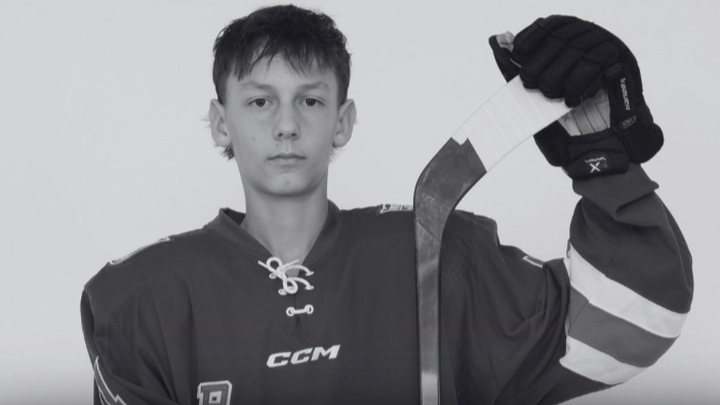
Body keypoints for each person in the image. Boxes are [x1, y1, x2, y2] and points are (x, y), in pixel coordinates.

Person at [80, 5, 693, 405]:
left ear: (343, 121)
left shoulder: (438, 252)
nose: (286, 126)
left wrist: (600, 157)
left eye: (311, 101)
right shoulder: (143, 301)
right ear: (221, 122)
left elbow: (635, 322)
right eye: (260, 101)